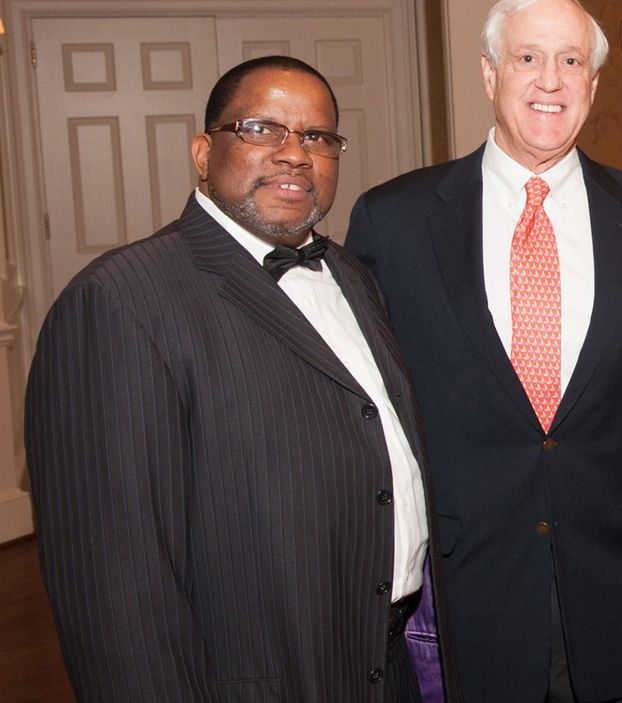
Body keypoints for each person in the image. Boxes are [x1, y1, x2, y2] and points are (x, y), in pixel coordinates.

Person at [25, 55, 462, 702]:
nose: (295, 153)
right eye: (261, 128)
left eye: (317, 136)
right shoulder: (119, 301)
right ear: (204, 153)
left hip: (385, 664)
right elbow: (115, 590)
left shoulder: (351, 275)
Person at [345, 0, 622, 703]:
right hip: (460, 592)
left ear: (593, 83)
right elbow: (365, 423)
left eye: (571, 60)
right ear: (490, 73)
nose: (551, 80)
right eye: (528, 58)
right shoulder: (394, 221)